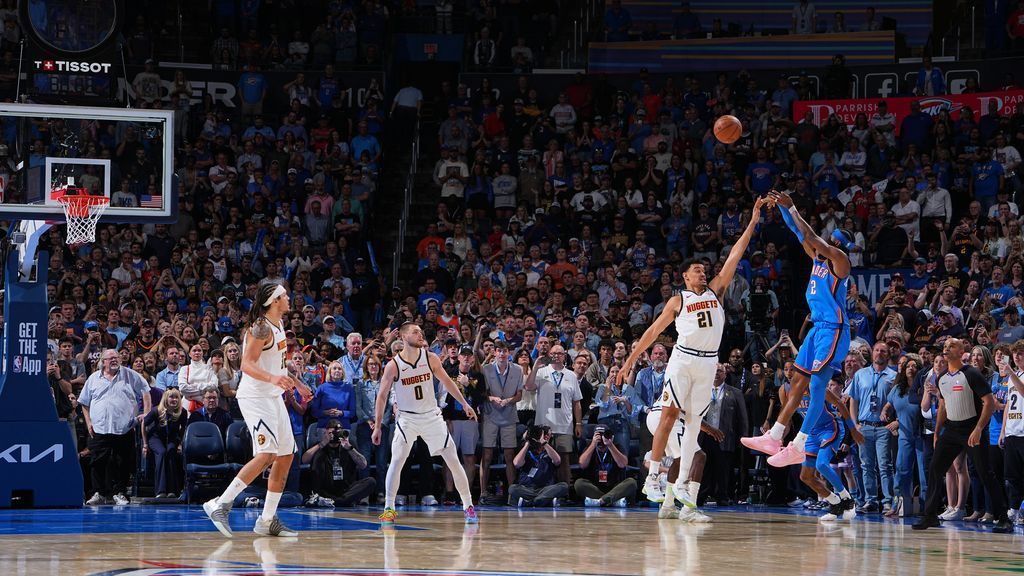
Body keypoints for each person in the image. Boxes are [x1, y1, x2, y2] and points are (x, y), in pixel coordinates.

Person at [621, 197, 766, 512]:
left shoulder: (716, 291)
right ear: (685, 277)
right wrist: (631, 360)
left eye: (704, 270)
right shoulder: (678, 300)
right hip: (684, 359)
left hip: (708, 362)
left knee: (695, 426)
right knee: (671, 413)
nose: (703, 274)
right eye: (697, 271)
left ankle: (684, 489)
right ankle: (653, 475)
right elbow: (651, 333)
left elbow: (735, 256)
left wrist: (753, 221)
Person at [743, 189, 860, 515]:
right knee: (796, 380)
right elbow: (799, 234)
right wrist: (784, 210)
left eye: (833, 239)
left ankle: (799, 443)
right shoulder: (820, 257)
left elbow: (808, 234)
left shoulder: (840, 262)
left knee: (818, 387)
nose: (828, 240)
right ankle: (777, 435)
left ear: (840, 245)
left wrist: (792, 204)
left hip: (834, 330)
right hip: (817, 329)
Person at [203, 283, 313, 538]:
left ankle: (266, 520)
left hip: (272, 396)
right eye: (284, 295)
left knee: (286, 455)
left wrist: (296, 383)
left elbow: (277, 362)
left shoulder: (279, 324)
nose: (288, 298)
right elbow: (247, 364)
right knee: (267, 454)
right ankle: (220, 504)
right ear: (274, 300)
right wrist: (274, 380)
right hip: (255, 397)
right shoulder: (259, 326)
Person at [372, 322, 480, 526]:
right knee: (397, 461)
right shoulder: (393, 365)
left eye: (421, 332)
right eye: (415, 332)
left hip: (431, 416)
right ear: (403, 337)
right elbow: (382, 396)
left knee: (453, 460)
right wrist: (378, 426)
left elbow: (448, 381)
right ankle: (388, 508)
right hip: (407, 418)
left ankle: (468, 506)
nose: (420, 334)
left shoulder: (430, 358)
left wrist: (464, 403)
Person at [913, 338, 1013, 533]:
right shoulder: (941, 377)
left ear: (961, 352)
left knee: (985, 473)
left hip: (971, 428)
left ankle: (1003, 517)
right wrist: (937, 431)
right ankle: (930, 515)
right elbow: (943, 405)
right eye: (944, 347)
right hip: (951, 430)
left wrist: (978, 429)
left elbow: (989, 403)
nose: (946, 349)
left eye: (951, 346)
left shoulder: (972, 374)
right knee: (935, 469)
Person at [79, 348, 152, 506]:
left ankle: (120, 493)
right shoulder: (93, 378)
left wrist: (146, 413)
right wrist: (89, 423)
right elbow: (84, 403)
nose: (114, 360)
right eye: (110, 358)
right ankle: (99, 493)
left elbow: (146, 391)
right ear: (103, 361)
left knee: (122, 462)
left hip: (123, 427)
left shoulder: (129, 374)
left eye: (116, 357)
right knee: (97, 462)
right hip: (99, 427)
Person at [644, 394, 722, 521]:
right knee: (699, 456)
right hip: (669, 417)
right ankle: (689, 509)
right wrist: (710, 429)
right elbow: (691, 415)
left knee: (679, 459)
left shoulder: (682, 376)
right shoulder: (698, 379)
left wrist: (708, 429)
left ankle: (667, 507)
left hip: (656, 415)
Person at [525, 344, 584, 485]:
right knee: (543, 458)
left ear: (565, 356)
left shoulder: (571, 375)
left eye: (560, 353)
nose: (556, 356)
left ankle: (564, 493)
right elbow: (528, 387)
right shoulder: (541, 372)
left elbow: (577, 402)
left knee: (564, 460)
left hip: (564, 424)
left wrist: (579, 424)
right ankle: (544, 489)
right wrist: (534, 368)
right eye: (553, 353)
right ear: (549, 355)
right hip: (544, 425)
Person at [479, 341, 524, 500]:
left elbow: (520, 395)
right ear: (495, 352)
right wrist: (491, 398)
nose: (502, 354)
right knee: (487, 455)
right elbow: (481, 393)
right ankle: (483, 492)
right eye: (499, 351)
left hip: (509, 414)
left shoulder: (518, 369)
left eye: (505, 351)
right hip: (490, 415)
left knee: (509, 455)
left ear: (509, 353)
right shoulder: (486, 369)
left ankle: (512, 494)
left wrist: (509, 400)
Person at [302, 419, 377, 507]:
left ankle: (336, 502)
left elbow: (363, 465)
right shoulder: (320, 445)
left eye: (337, 433)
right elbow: (304, 460)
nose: (334, 435)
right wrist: (322, 444)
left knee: (371, 481)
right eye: (331, 433)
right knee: (318, 456)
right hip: (325, 490)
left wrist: (349, 448)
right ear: (326, 432)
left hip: (346, 490)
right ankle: (341, 501)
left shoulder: (348, 445)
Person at [575, 425, 636, 507]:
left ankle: (601, 501)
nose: (601, 438)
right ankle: (610, 500)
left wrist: (610, 445)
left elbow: (623, 464)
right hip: (596, 488)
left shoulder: (617, 447)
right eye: (598, 435)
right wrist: (593, 444)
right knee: (579, 484)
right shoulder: (589, 447)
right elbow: (582, 464)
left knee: (631, 482)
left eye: (604, 435)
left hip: (615, 488)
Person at [509, 425, 569, 506]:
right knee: (512, 488)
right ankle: (544, 501)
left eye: (549, 435)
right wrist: (527, 442)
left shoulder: (550, 451)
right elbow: (516, 463)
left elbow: (557, 461)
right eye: (545, 435)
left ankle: (529, 503)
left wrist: (544, 443)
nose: (548, 437)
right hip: (527, 488)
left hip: (545, 488)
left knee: (563, 486)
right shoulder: (527, 451)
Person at [143, 388, 187, 498]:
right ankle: (160, 490)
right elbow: (144, 424)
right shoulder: (156, 410)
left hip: (172, 438)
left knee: (171, 451)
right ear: (166, 399)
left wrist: (180, 443)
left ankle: (173, 491)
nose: (174, 399)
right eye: (171, 397)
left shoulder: (182, 412)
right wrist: (145, 444)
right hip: (155, 438)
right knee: (162, 452)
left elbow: (183, 428)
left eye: (176, 397)